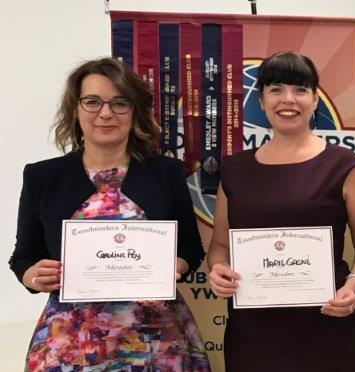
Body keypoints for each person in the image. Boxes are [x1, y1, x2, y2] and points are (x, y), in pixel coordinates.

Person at [8, 57, 210, 370]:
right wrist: (34, 275)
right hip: (72, 344)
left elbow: (190, 249)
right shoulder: (42, 177)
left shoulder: (165, 172)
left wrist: (174, 266)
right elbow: (22, 258)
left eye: (119, 103)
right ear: (75, 109)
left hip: (157, 342)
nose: (106, 113)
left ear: (135, 112)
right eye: (92, 102)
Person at [206, 52, 355, 371]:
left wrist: (352, 285)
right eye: (276, 89)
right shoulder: (233, 170)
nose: (288, 99)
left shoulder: (344, 166)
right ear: (260, 100)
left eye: (300, 89)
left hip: (327, 322)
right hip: (254, 331)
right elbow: (219, 246)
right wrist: (218, 269)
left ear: (315, 99)